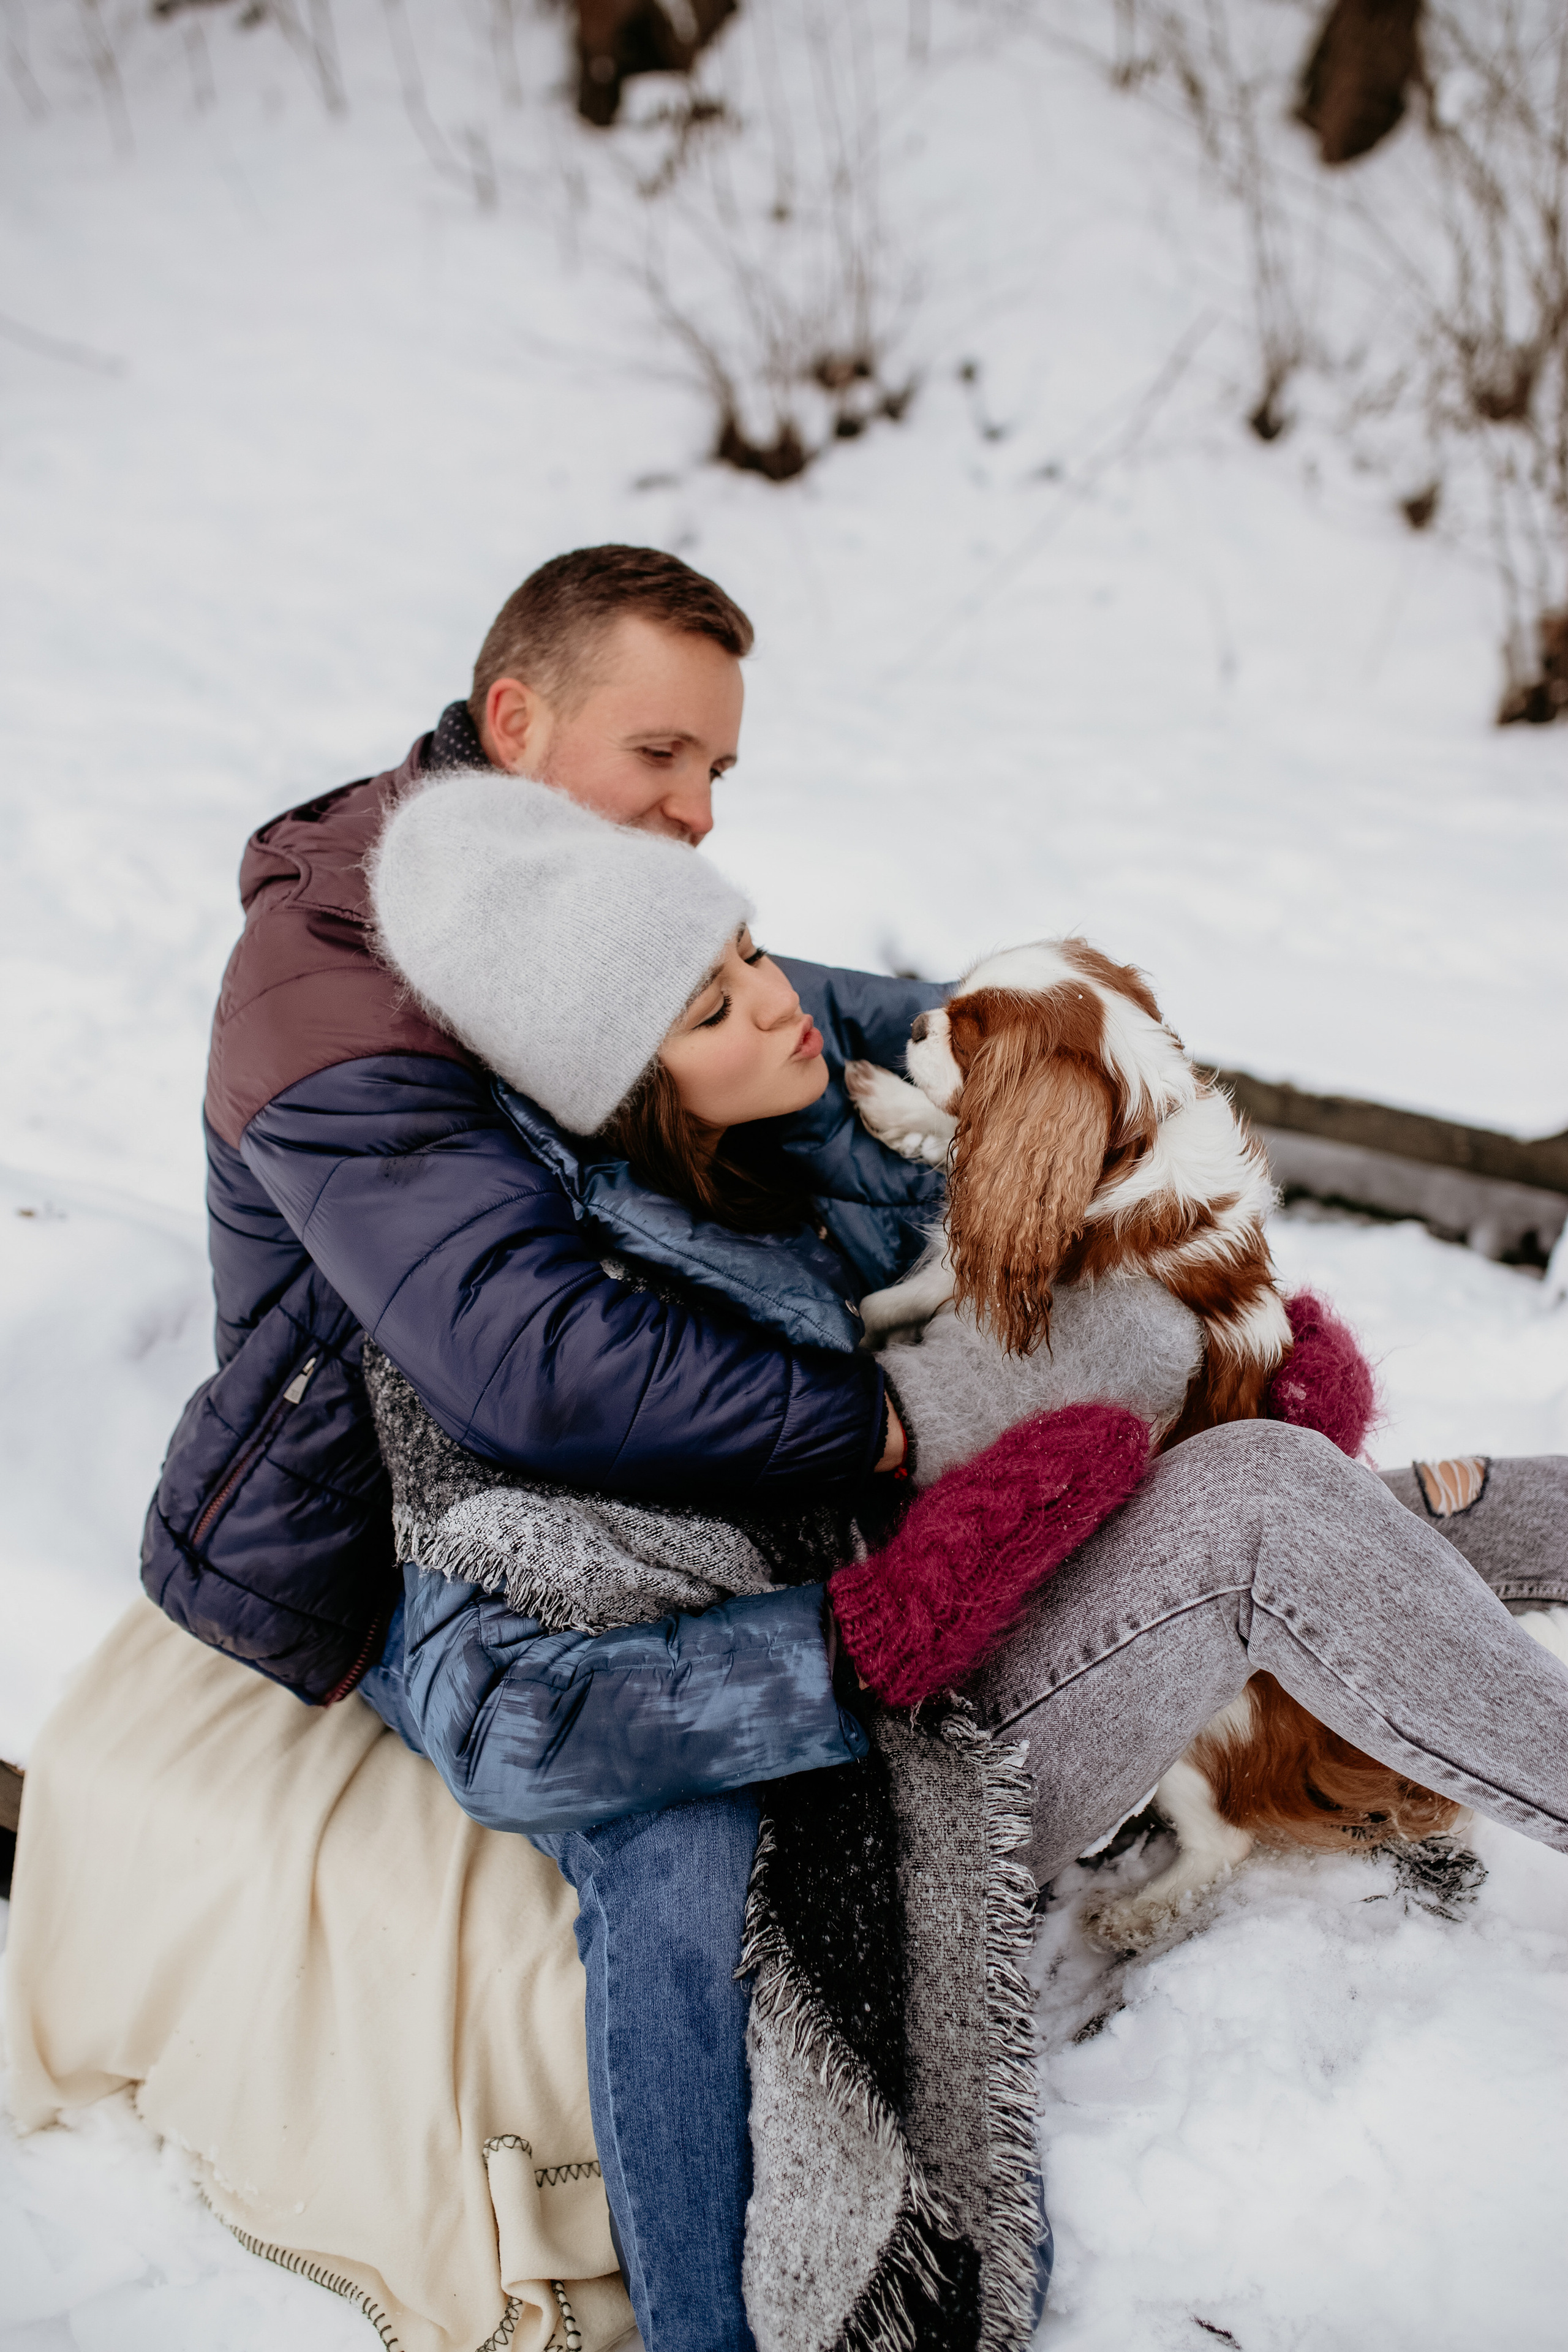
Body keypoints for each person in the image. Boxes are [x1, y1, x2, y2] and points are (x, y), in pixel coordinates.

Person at [146, 546, 1568, 2350]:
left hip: (777, 1529)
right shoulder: (348, 987)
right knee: (680, 1839)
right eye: (666, 757)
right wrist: (900, 1448)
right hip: (435, 1552)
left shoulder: (609, 918)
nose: (702, 810)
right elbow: (528, 1361)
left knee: (1272, 1483)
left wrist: (1054, 1064)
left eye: (720, 778)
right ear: (518, 724)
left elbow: (814, 1008)